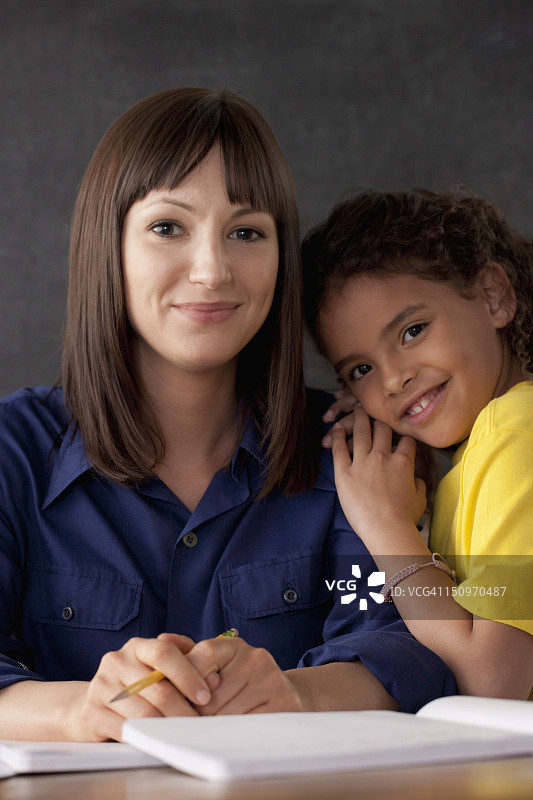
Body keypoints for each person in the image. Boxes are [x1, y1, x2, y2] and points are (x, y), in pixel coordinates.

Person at [0, 91, 453, 743]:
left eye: (245, 232)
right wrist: (79, 709)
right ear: (109, 246)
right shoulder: (14, 450)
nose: (212, 270)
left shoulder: (348, 449)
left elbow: (402, 653)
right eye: (168, 227)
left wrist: (291, 690)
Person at [302, 188, 533, 701]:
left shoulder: (517, 435)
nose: (393, 380)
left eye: (412, 331)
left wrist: (385, 525)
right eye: (361, 369)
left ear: (495, 296)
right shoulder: (480, 452)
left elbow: (492, 680)